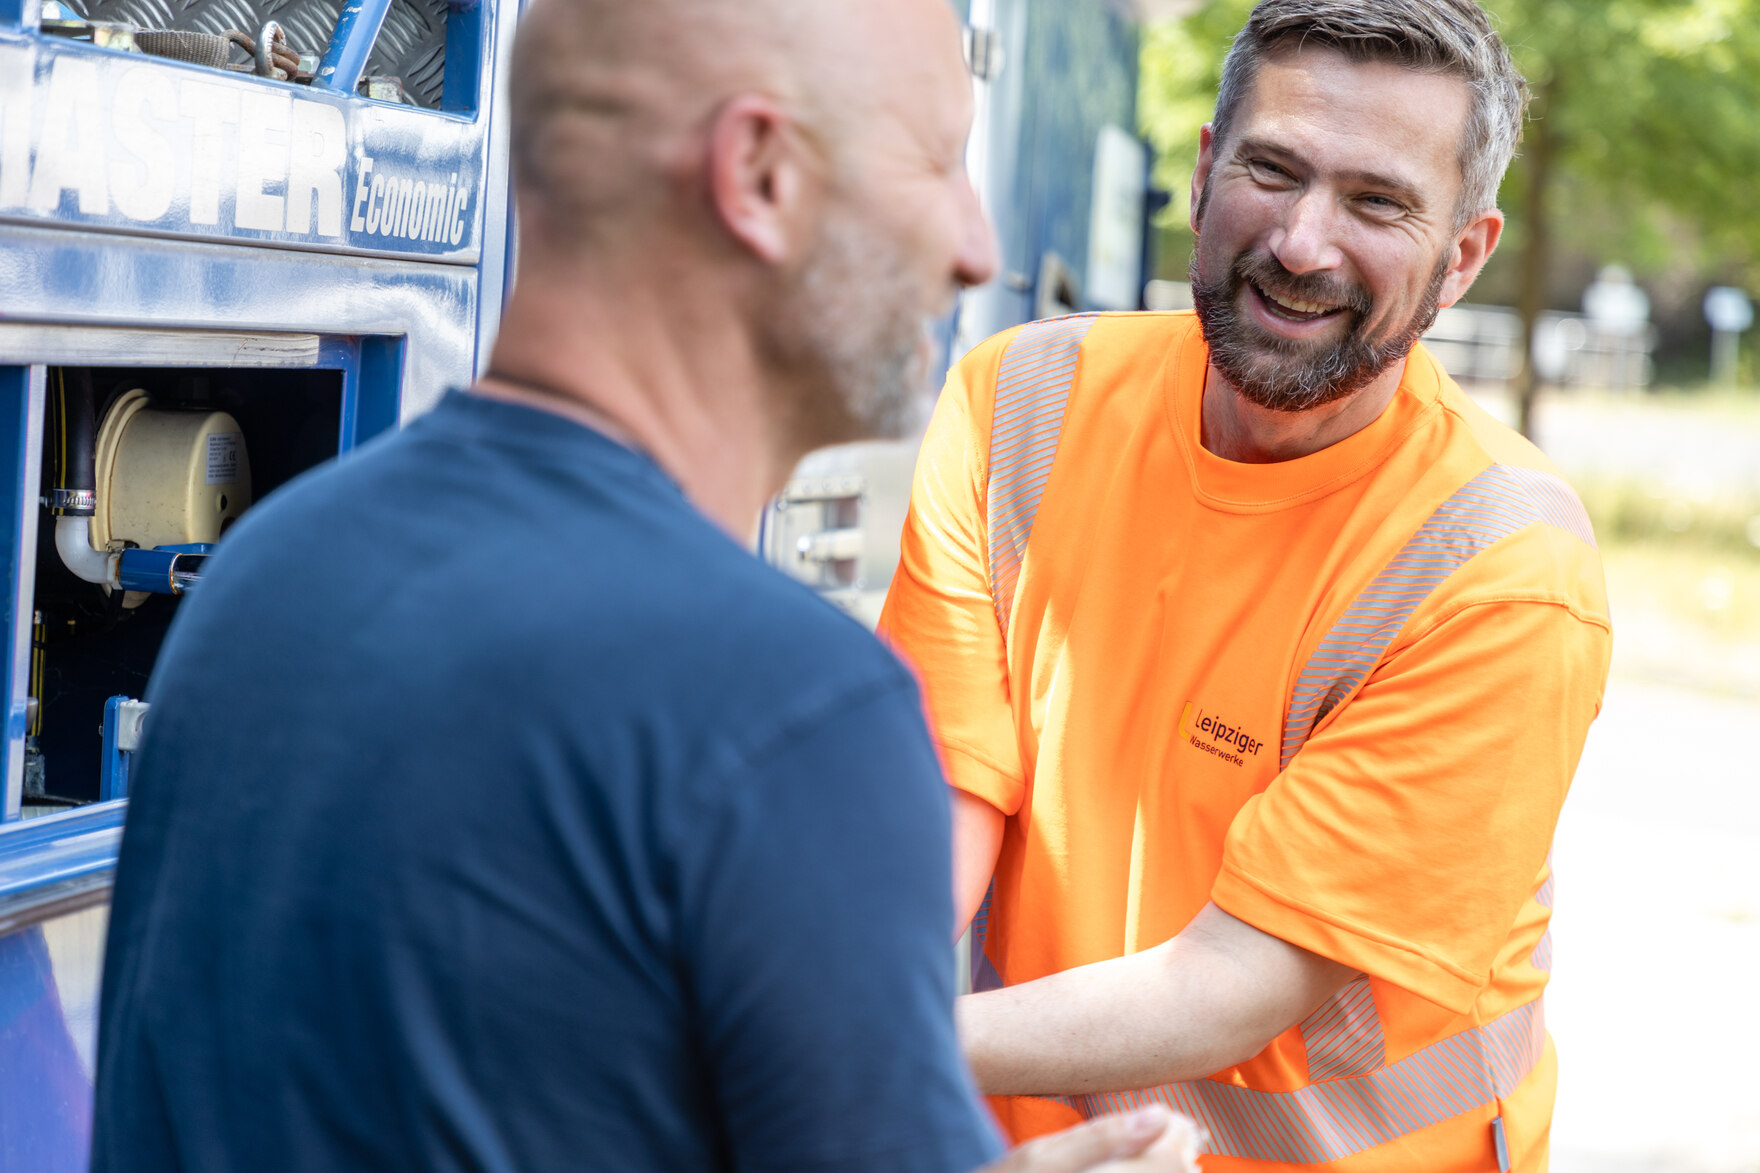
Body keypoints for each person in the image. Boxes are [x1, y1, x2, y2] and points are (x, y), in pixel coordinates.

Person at [88, 0, 1203, 1170]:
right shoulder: (787, 711)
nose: (975, 245)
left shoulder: (272, 570)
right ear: (759, 175)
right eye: (934, 161)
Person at [878, 2, 1612, 1170]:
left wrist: (861, 1039)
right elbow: (931, 811)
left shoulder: (1501, 568)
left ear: (1462, 257)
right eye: (1271, 171)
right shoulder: (1018, 402)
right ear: (1206, 167)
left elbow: (1233, 981)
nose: (1303, 244)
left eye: (1376, 203)